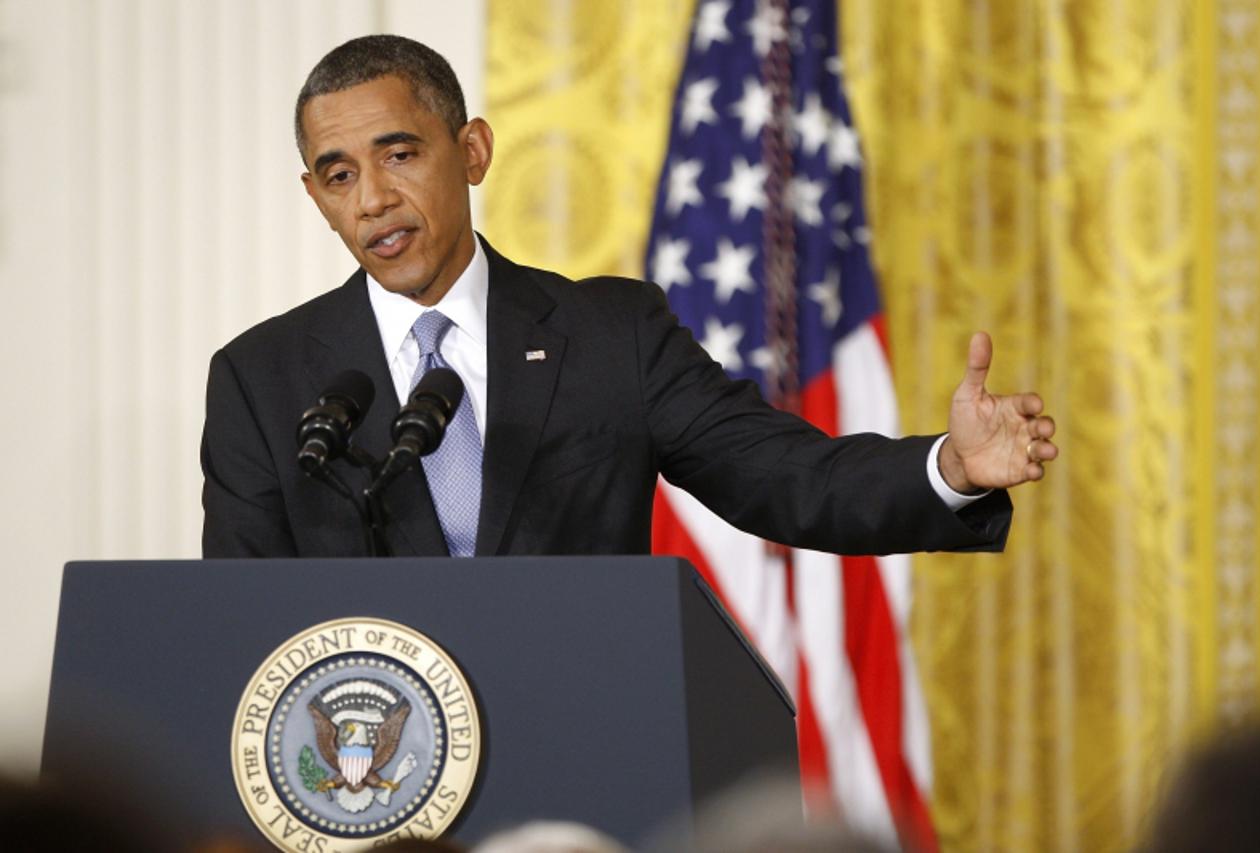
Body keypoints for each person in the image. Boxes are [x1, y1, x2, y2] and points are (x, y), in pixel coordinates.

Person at [201, 35, 1057, 559]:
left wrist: (949, 466)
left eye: (399, 155)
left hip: (586, 754)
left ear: (471, 150)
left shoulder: (611, 334)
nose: (372, 200)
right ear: (314, 196)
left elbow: (786, 477)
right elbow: (240, 619)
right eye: (338, 174)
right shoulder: (261, 378)